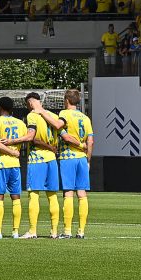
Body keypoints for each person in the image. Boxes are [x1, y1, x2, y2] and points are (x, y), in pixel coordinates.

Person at [44, 89, 94, 239]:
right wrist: (88, 159)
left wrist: (42, 112)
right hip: (82, 159)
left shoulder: (64, 114)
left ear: (66, 100)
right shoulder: (85, 118)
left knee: (68, 193)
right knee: (82, 193)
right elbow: (90, 141)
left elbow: (60, 130)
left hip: (68, 157)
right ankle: (81, 231)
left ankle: (67, 231)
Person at [22, 92, 62, 239]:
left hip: (37, 157)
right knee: (52, 196)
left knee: (33, 194)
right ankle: (54, 231)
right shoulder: (53, 115)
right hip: (52, 159)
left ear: (30, 103)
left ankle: (32, 231)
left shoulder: (32, 116)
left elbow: (33, 139)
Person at [0, 97, 28, 239]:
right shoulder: (20, 123)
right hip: (15, 164)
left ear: (0, 107)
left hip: (1, 163)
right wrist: (14, 152)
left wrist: (9, 151)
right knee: (16, 197)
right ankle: (15, 231)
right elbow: (24, 140)